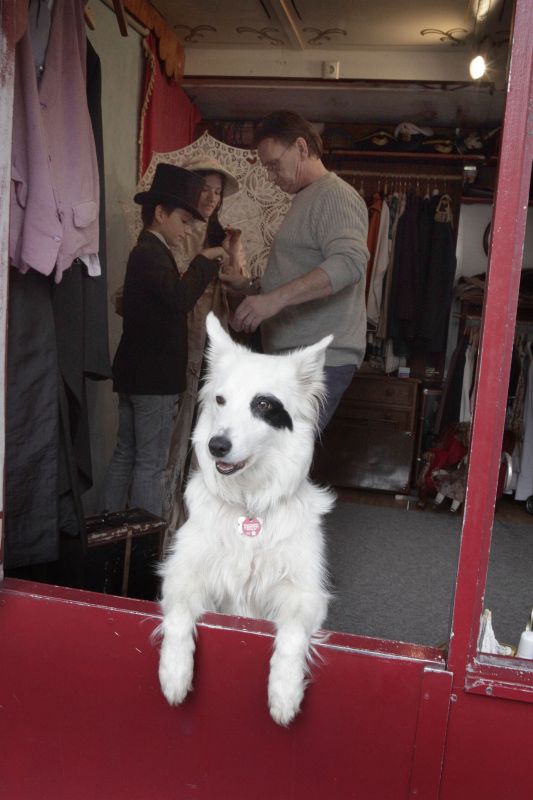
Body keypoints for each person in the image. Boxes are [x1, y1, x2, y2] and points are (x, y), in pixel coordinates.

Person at [221, 110, 369, 432]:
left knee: (278, 454)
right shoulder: (307, 198)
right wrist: (247, 288)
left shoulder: (334, 195)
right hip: (295, 359)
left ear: (301, 148)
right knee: (269, 454)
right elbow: (293, 276)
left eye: (274, 164)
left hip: (316, 360)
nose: (270, 175)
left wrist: (273, 300)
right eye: (266, 167)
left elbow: (349, 263)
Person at [103, 163, 229, 518]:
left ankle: (109, 533)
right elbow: (179, 298)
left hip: (137, 375)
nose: (187, 229)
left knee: (126, 454)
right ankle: (143, 543)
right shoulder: (149, 252)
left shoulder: (147, 251)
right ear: (160, 213)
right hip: (153, 379)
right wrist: (204, 261)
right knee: (151, 463)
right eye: (183, 220)